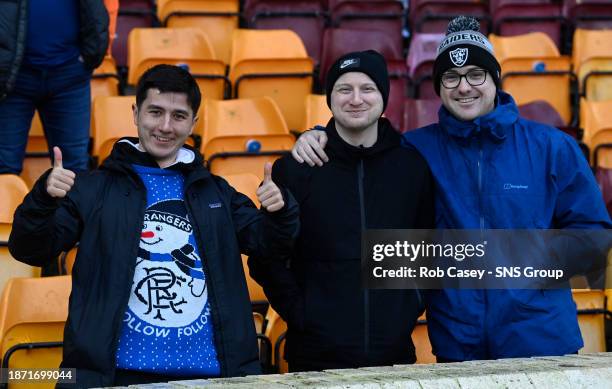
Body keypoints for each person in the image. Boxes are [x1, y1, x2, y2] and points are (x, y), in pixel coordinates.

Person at [290, 17, 611, 361]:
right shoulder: (415, 149)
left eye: (476, 74)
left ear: (495, 80)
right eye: (451, 77)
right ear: (439, 87)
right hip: (458, 343)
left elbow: (594, 238)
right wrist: (319, 135)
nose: (464, 87)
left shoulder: (552, 147)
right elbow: (360, 146)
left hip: (542, 339)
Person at [9, 64, 299, 387]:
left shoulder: (216, 192)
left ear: (194, 123)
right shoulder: (93, 189)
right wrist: (43, 199)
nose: (165, 126)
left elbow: (271, 246)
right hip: (116, 377)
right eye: (155, 112)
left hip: (213, 376)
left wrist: (280, 212)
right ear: (135, 113)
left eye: (178, 116)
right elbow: (30, 248)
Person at [248, 50, 435, 372]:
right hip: (315, 356)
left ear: (384, 97)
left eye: (367, 89)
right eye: (344, 89)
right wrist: (301, 311)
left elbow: (427, 247)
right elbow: (266, 257)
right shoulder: (296, 169)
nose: (356, 99)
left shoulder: (411, 167)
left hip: (393, 354)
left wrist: (410, 304)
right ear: (330, 98)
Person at [0, 0, 109, 174]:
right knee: (4, 169)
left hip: (69, 77)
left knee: (74, 169)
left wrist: (90, 56)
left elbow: (95, 11)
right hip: (13, 81)